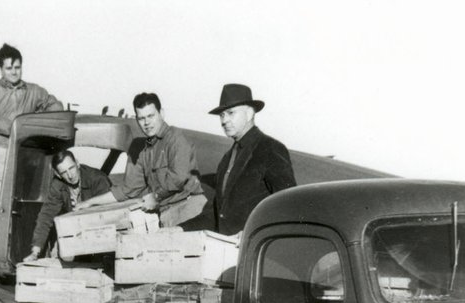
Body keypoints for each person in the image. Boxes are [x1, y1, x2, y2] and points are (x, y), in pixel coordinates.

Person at [0, 43, 63, 280]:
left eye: (17, 67)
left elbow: (56, 107)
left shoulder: (34, 92)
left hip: (15, 154)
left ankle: (2, 264)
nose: (13, 72)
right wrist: (19, 126)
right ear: (1, 69)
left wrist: (33, 124)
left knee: (6, 209)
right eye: (9, 68)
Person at [74, 92, 203, 227]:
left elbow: (178, 178)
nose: (147, 123)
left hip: (189, 208)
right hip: (167, 212)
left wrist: (155, 197)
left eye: (151, 116)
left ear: (162, 113)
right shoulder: (143, 150)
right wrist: (90, 202)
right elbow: (127, 190)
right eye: (141, 118)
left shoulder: (176, 138)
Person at [203, 83, 296, 236]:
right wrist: (180, 229)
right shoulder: (226, 160)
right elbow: (215, 215)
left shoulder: (270, 148)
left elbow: (287, 205)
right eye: (222, 115)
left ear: (249, 113)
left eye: (231, 113)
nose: (224, 121)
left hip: (255, 249)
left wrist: (252, 232)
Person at [23, 149, 111, 262]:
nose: (70, 175)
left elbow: (109, 214)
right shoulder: (57, 185)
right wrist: (35, 252)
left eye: (72, 168)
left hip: (100, 232)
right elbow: (46, 216)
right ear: (57, 174)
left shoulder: (98, 179)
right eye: (64, 172)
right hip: (74, 231)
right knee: (63, 257)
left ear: (77, 163)